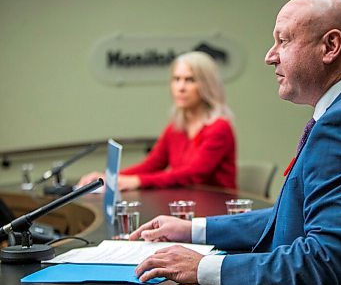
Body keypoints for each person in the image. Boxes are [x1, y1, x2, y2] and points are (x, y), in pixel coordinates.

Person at [130, 0, 341, 285]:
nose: (270, 56)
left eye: (283, 41)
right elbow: (291, 218)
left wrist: (203, 267)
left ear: (330, 46)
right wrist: (193, 229)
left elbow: (326, 262)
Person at [78, 51, 236, 191]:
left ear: (207, 85)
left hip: (219, 211)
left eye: (190, 80)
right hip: (186, 205)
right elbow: (151, 165)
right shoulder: (175, 128)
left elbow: (194, 173)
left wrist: (137, 181)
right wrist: (109, 177)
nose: (181, 87)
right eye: (176, 79)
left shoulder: (219, 127)